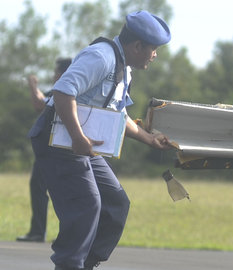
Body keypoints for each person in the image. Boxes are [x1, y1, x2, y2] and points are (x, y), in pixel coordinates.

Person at [28, 10, 172, 270]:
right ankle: (69, 264)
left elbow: (119, 115)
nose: (155, 55)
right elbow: (62, 93)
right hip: (59, 140)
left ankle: (85, 263)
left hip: (79, 143)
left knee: (115, 202)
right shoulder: (101, 57)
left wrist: (150, 139)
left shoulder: (124, 68)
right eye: (153, 49)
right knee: (87, 204)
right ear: (137, 46)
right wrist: (77, 136)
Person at [17, 57, 72, 243]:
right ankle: (41, 231)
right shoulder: (60, 91)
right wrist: (35, 89)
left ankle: (39, 232)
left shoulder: (65, 91)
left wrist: (32, 85)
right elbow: (42, 100)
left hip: (55, 149)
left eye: (56, 72)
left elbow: (39, 104)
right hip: (54, 148)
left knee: (44, 187)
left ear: (64, 73)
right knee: (46, 187)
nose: (53, 75)